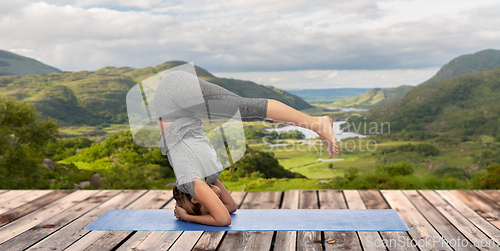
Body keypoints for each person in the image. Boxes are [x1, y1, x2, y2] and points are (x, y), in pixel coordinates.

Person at [154, 71, 338, 226]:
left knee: (246, 109)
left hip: (172, 96)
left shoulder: (193, 183)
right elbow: (231, 208)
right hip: (175, 95)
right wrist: (202, 211)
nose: (217, 202)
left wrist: (187, 217)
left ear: (195, 199)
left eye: (210, 205)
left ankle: (318, 124)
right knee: (246, 110)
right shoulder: (205, 179)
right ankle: (317, 124)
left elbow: (223, 219)